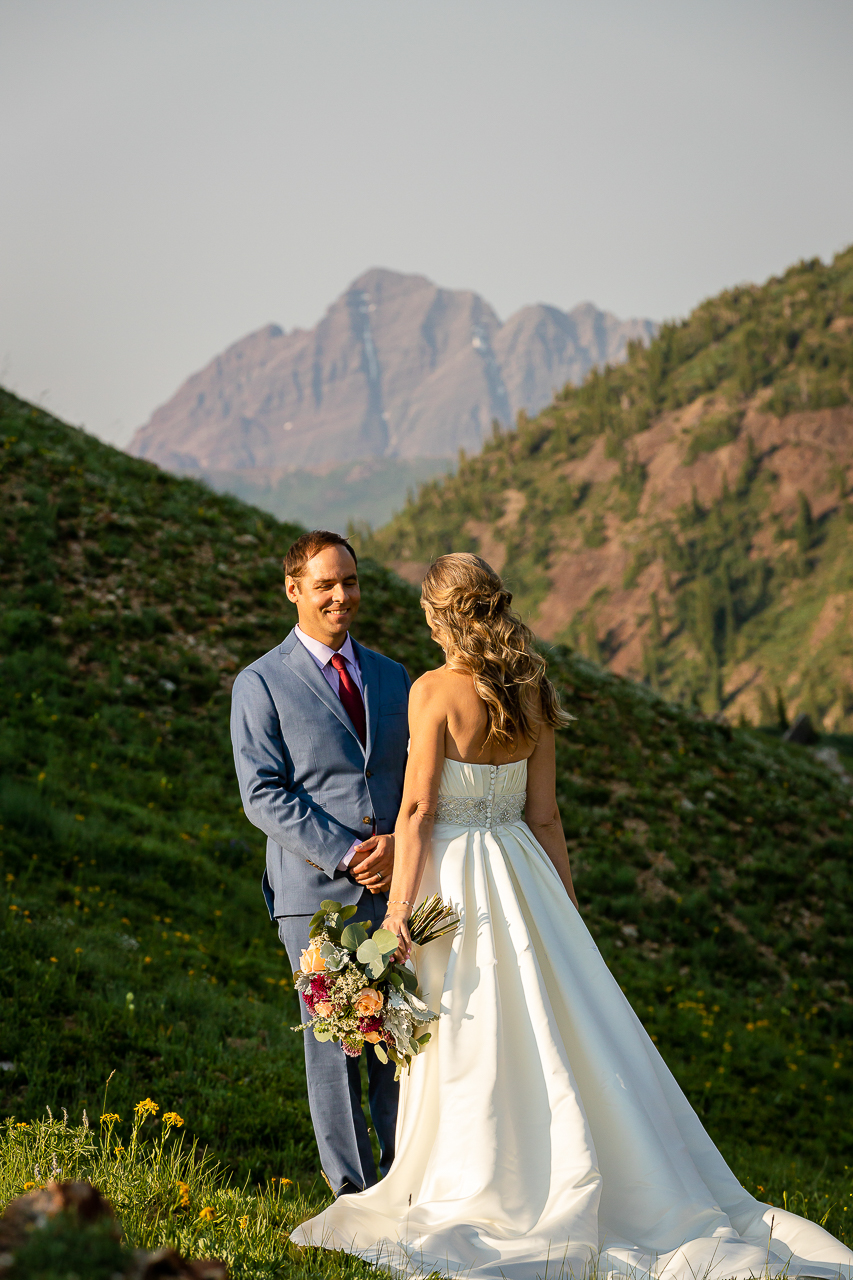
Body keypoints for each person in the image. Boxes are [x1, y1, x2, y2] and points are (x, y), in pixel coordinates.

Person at [291, 552, 853, 1280]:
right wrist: (565, 906)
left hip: (455, 883)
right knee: (551, 1027)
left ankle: (481, 1183)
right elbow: (546, 814)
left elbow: (421, 809)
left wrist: (397, 913)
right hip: (523, 873)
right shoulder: (530, 687)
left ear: (438, 617)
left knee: (470, 1030)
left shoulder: (433, 690)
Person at [230, 530, 410, 1196]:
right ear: (294, 589)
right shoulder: (260, 683)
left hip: (395, 890)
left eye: (351, 582)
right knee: (335, 1045)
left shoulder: (394, 677)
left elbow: (416, 774)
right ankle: (353, 1197)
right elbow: (261, 794)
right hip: (315, 895)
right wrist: (344, 853)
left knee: (397, 1042)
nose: (341, 596)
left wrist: (395, 844)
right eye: (326, 584)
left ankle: (405, 1185)